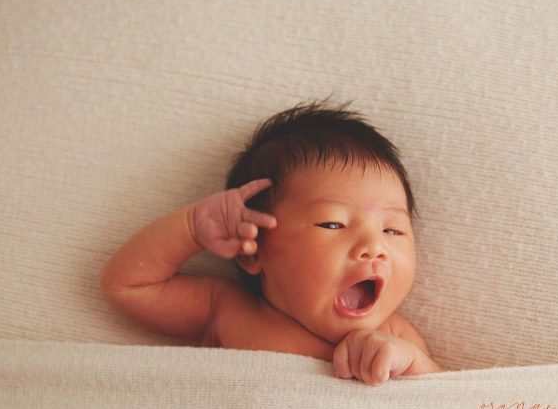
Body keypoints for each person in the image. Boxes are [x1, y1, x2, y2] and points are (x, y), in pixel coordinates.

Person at [101, 100, 443, 386]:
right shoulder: (227, 311)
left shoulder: (395, 334)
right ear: (255, 251)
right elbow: (128, 286)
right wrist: (191, 228)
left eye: (393, 230)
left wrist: (412, 364)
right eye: (332, 223)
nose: (374, 247)